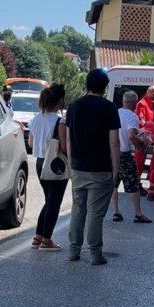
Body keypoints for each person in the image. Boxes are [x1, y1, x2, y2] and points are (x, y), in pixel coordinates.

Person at [62, 69, 120, 265]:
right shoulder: (109, 108)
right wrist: (115, 168)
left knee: (78, 210)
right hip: (101, 168)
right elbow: (114, 142)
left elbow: (68, 138)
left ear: (87, 84)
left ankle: (73, 250)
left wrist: (71, 163)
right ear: (104, 88)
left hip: (78, 167)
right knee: (95, 213)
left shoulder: (74, 106)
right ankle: (95, 253)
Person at [29, 84, 67, 251]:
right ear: (59, 101)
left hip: (39, 163)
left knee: (49, 200)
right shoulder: (59, 120)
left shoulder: (36, 119)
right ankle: (46, 239)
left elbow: (30, 142)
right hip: (54, 163)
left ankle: (38, 236)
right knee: (54, 203)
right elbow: (64, 147)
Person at [111, 91, 152, 224]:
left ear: (123, 101)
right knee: (133, 184)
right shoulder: (132, 116)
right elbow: (130, 135)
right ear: (134, 103)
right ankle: (138, 214)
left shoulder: (114, 113)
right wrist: (140, 145)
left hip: (111, 153)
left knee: (114, 183)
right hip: (124, 154)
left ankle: (116, 212)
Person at [134, 86, 154, 180]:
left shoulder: (149, 104)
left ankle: (143, 178)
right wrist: (142, 136)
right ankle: (136, 182)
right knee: (139, 161)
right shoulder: (142, 104)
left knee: (143, 160)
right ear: (151, 93)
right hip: (143, 137)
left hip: (148, 138)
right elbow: (141, 122)